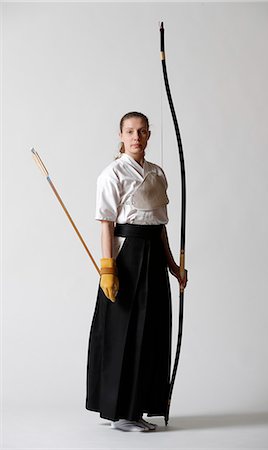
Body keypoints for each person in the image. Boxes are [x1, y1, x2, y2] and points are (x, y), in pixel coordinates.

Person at [85, 111, 187, 432]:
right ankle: (122, 412)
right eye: (130, 131)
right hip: (127, 257)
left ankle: (139, 406)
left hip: (154, 255)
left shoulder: (157, 174)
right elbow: (107, 224)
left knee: (152, 328)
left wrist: (173, 266)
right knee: (124, 330)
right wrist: (108, 269)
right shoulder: (112, 173)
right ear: (121, 134)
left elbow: (160, 227)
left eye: (142, 131)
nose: (136, 138)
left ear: (149, 135)